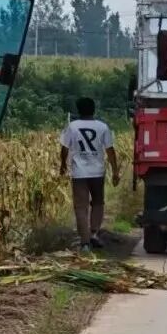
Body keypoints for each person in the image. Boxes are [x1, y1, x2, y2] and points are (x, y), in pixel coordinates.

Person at [59, 97, 120, 252]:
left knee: (81, 207)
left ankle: (85, 243)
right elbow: (110, 150)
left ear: (78, 110)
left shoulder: (72, 126)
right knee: (98, 203)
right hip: (97, 172)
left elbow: (65, 148)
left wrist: (63, 165)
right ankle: (94, 233)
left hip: (79, 173)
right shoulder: (102, 127)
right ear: (94, 109)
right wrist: (115, 171)